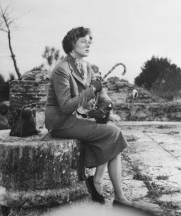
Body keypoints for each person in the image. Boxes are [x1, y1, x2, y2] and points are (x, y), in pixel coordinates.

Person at [45, 26, 131, 207]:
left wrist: (107, 105)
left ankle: (116, 195)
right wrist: (92, 90)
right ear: (71, 44)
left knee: (114, 134)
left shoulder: (87, 66)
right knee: (113, 133)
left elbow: (100, 91)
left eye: (89, 40)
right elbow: (66, 106)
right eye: (83, 41)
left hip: (78, 118)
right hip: (62, 122)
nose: (88, 44)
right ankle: (100, 184)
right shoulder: (62, 70)